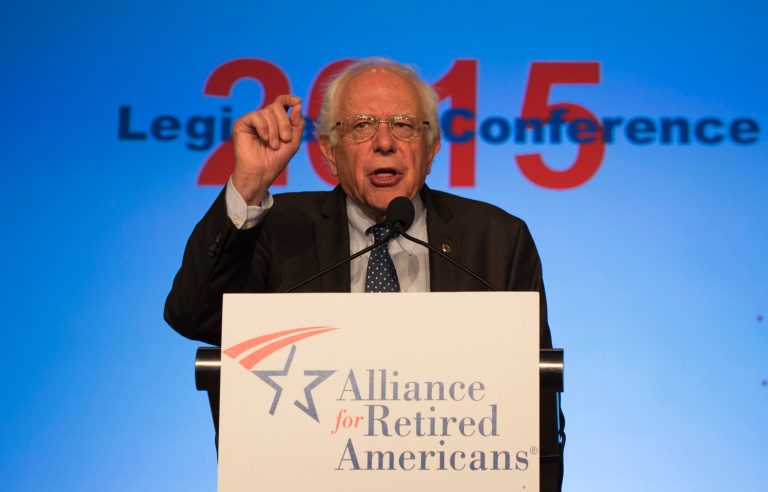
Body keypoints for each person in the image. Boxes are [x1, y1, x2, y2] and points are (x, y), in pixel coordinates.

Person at [165, 57, 563, 490]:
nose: (385, 142)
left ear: (432, 148)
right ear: (328, 152)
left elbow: (535, 411)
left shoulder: (498, 240)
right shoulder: (276, 230)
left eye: (405, 125)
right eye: (361, 126)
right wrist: (248, 185)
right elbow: (193, 315)